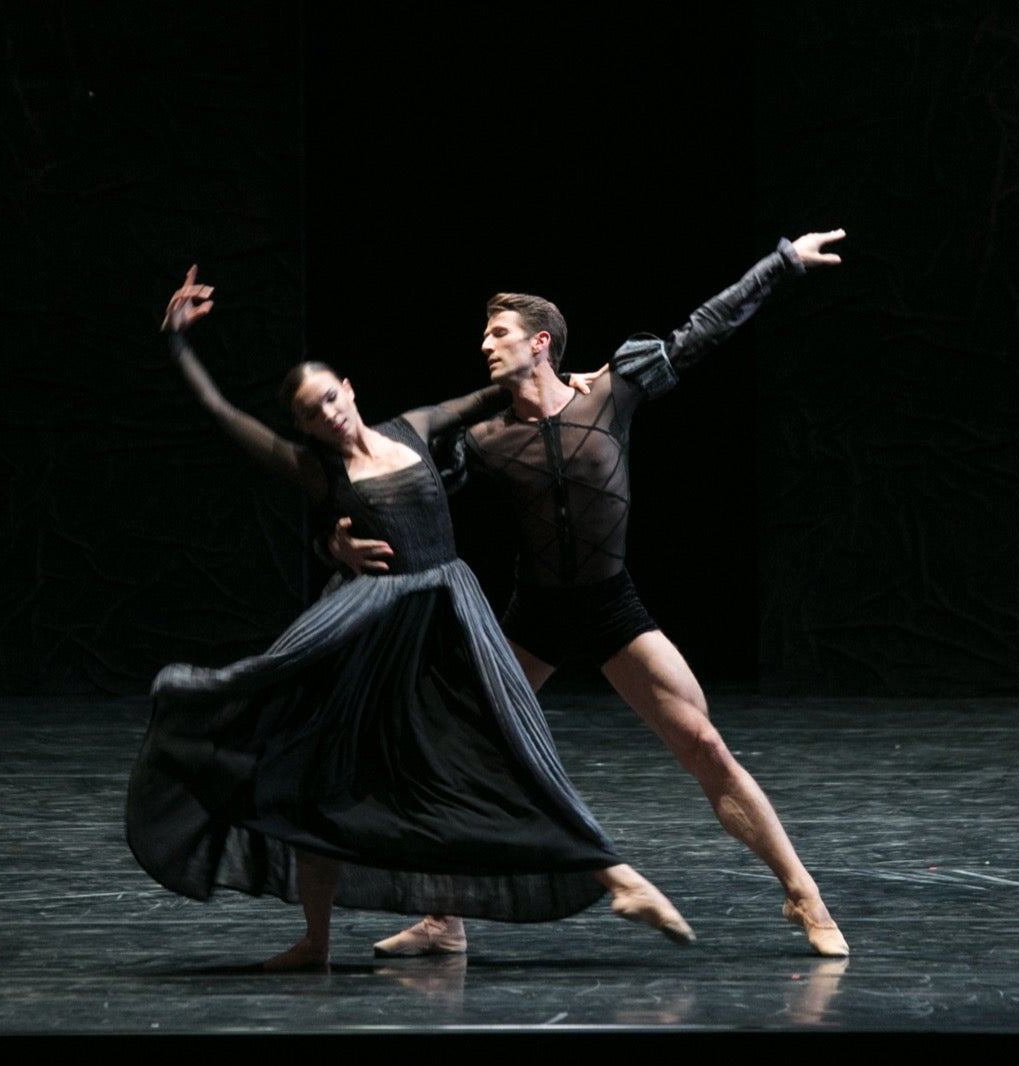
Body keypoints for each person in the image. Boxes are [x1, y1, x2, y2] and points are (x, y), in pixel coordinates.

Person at [125, 266, 696, 972]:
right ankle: (316, 941)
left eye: (331, 397)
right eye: (311, 412)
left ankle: (620, 880)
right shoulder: (319, 472)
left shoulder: (412, 428)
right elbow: (222, 417)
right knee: (314, 778)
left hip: (451, 621)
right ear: (302, 426)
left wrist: (576, 374)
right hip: (370, 636)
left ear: (350, 389)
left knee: (507, 755)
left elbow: (504, 386)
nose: (328, 414)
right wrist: (179, 345)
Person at [331, 232, 853, 958]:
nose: (486, 342)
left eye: (500, 332)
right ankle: (443, 919)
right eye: (485, 332)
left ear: (540, 342)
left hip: (611, 607)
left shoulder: (612, 390)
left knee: (704, 742)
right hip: (534, 614)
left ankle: (802, 892)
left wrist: (782, 261)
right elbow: (404, 493)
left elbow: (704, 329)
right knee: (452, 747)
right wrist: (344, 539)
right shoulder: (481, 437)